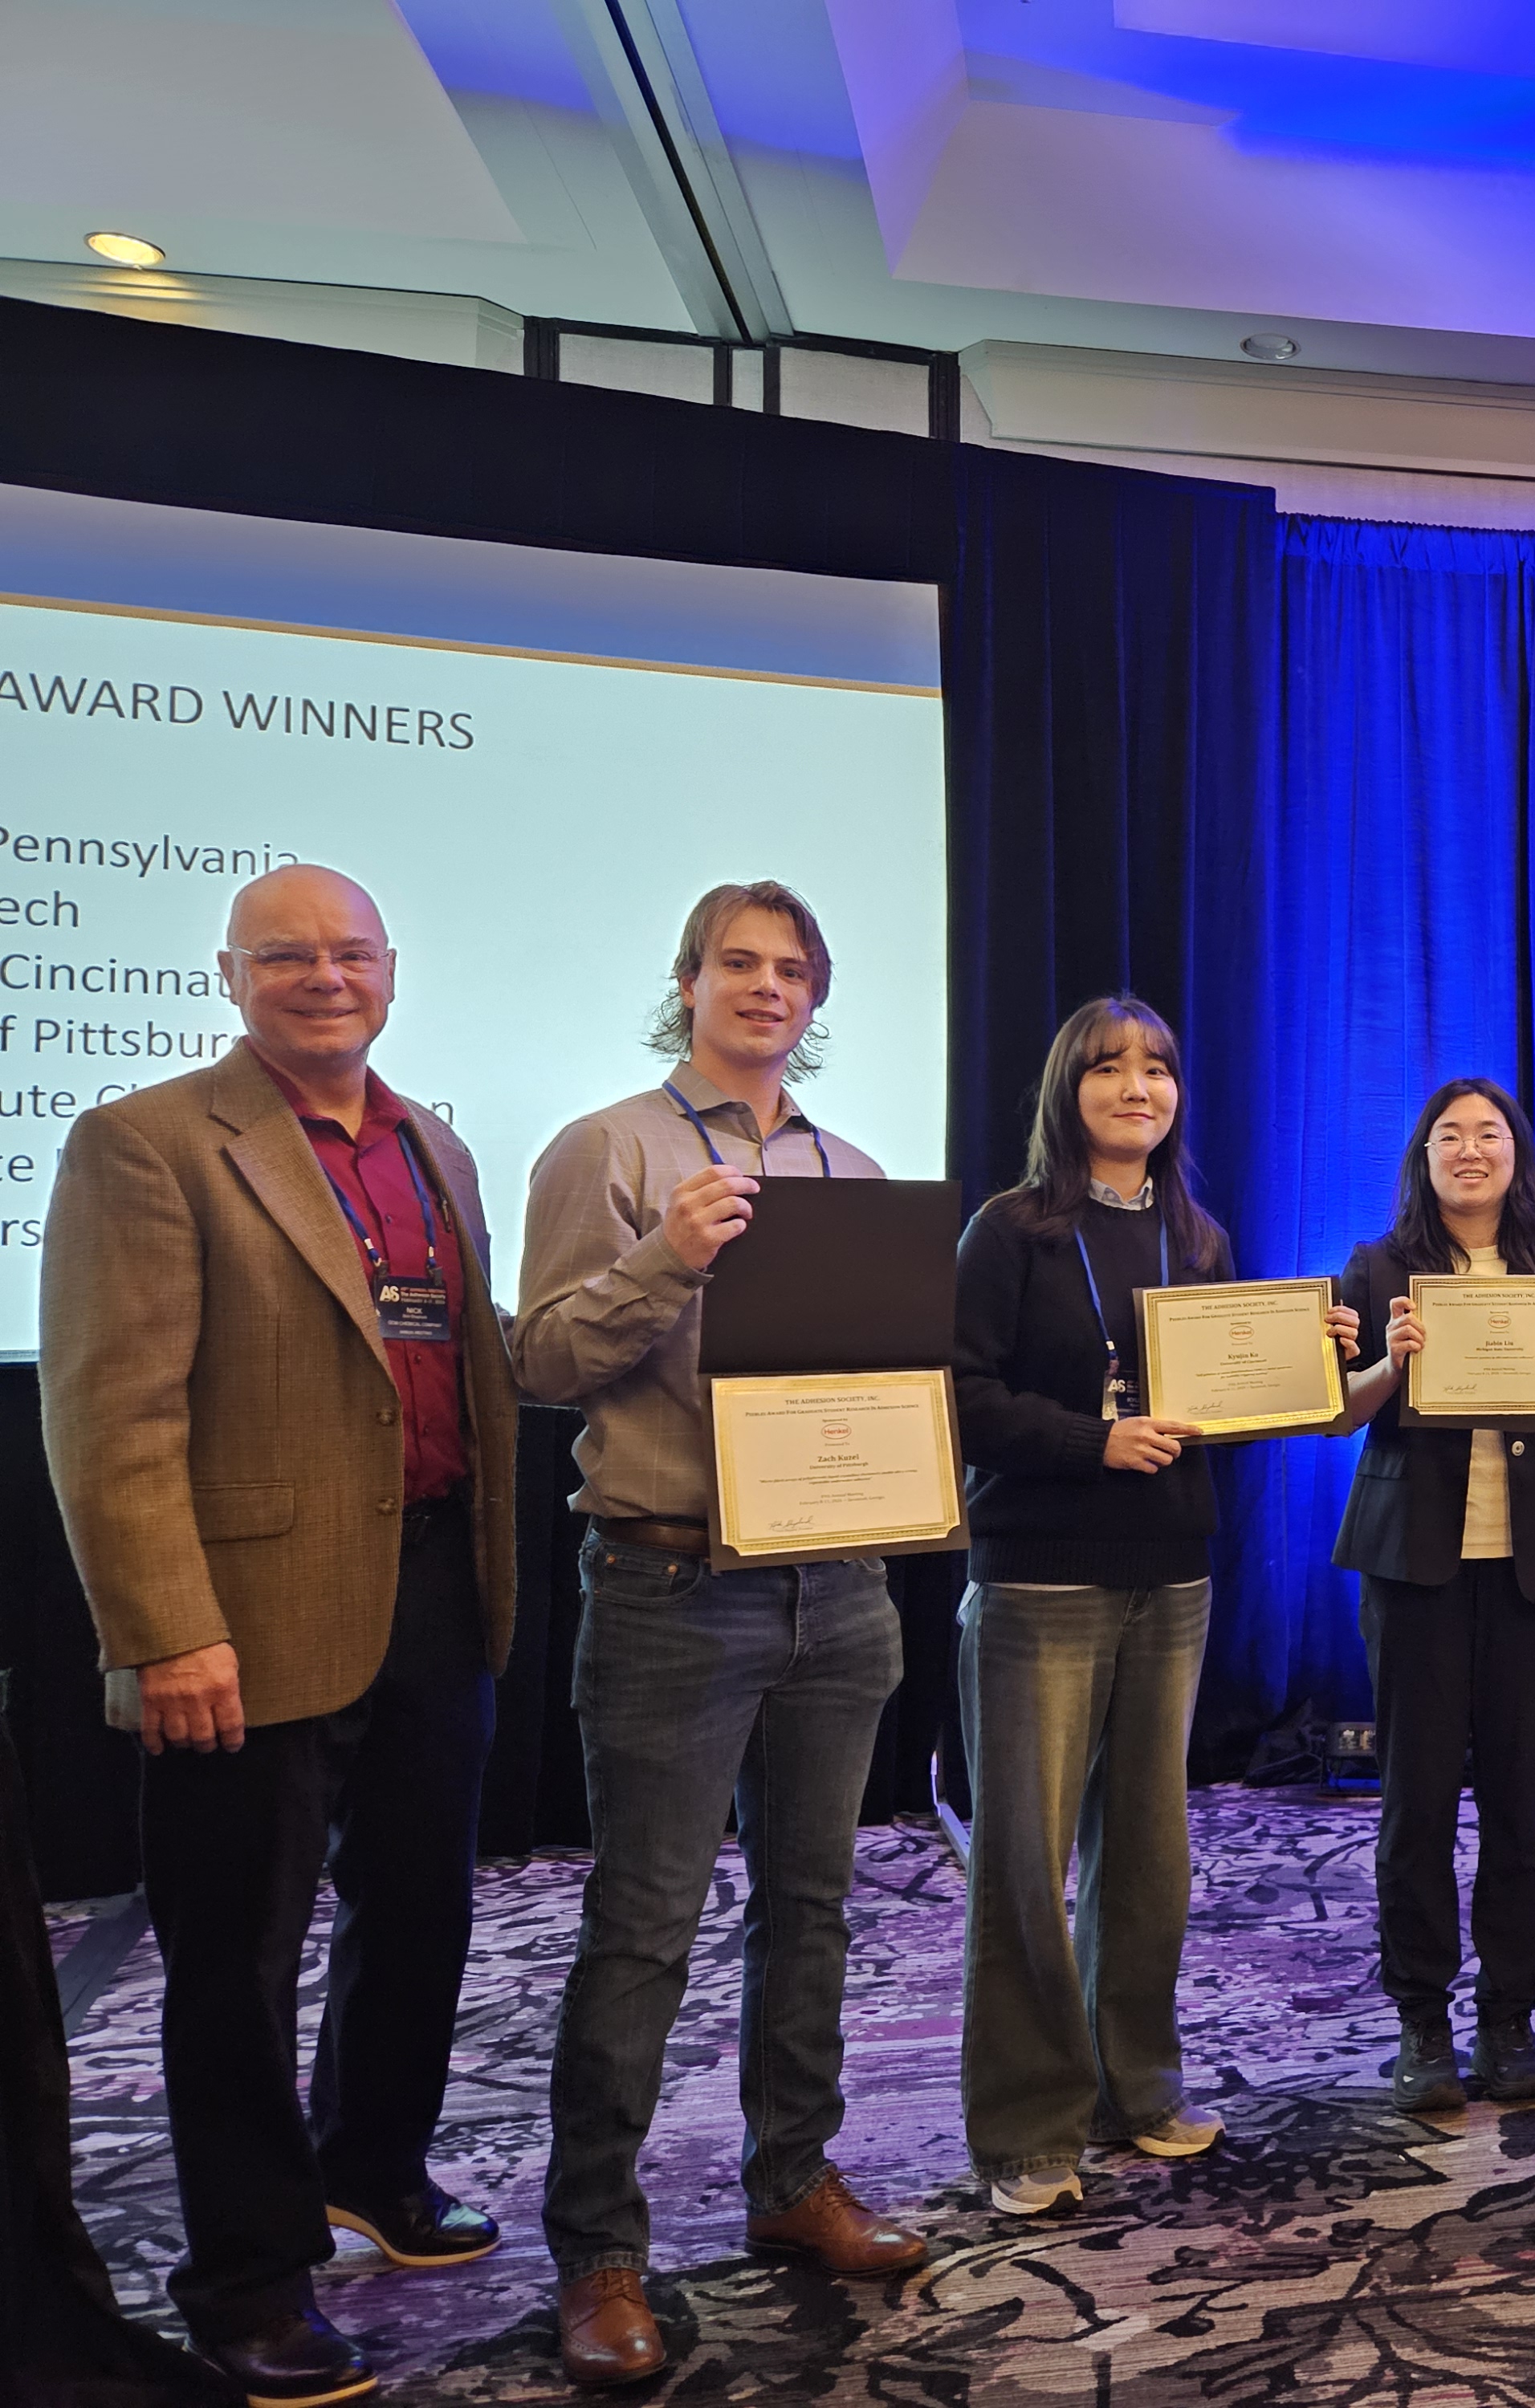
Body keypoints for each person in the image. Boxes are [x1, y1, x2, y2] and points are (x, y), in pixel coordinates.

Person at [39, 864, 518, 2408]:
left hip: (436, 1585)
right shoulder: (147, 1141)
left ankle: (373, 2166)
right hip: (241, 1617)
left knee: (420, 1908)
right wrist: (164, 1628)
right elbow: (110, 1414)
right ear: (229, 976)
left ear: (393, 971)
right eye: (288, 955)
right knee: (235, 1960)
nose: (326, 977)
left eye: (352, 953)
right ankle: (246, 2278)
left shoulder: (435, 1142)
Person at [517, 881, 922, 2389]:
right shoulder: (609, 1149)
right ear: (687, 982)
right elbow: (541, 1360)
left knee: (812, 1906)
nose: (766, 987)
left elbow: (880, 1383)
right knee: (644, 1929)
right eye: (737, 963)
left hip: (840, 1591)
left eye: (792, 969)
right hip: (673, 1588)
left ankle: (792, 2181)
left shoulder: (851, 1171)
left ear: (816, 997)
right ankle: (598, 2251)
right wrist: (665, 1258)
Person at [951, 996, 1349, 2214]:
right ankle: (1028, 2128)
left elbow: (1222, 1408)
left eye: (1159, 1069)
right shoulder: (1008, 1230)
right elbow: (960, 1397)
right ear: (1067, 1089)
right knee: (1025, 1864)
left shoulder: (1198, 1236)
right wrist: (1094, 1441)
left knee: (1147, 1854)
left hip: (1173, 1572)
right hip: (1042, 1574)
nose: (1138, 1088)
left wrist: (1310, 1359)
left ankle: (1139, 2086)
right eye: (1110, 1068)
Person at [1333, 1078, 1535, 2113]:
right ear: (1423, 1157)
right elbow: (1337, 1414)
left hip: (1531, 1568)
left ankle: (1509, 2017)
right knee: (1415, 1802)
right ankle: (1421, 2020)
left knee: (1519, 1802)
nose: (1468, 1150)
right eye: (1448, 1135)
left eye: (1487, 1134)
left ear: (1515, 1154)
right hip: (1416, 1565)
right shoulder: (1378, 1266)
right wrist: (1390, 1363)